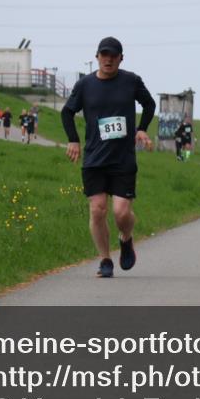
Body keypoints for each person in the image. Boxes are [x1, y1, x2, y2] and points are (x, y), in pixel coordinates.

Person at [62, 36, 155, 278]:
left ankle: (126, 239)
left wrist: (142, 128)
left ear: (121, 58)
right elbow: (67, 111)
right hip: (94, 159)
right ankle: (105, 260)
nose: (108, 59)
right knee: (97, 210)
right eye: (104, 55)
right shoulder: (85, 85)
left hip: (123, 159)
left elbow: (150, 104)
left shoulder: (131, 81)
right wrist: (73, 139)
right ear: (97, 58)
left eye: (113, 56)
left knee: (121, 213)